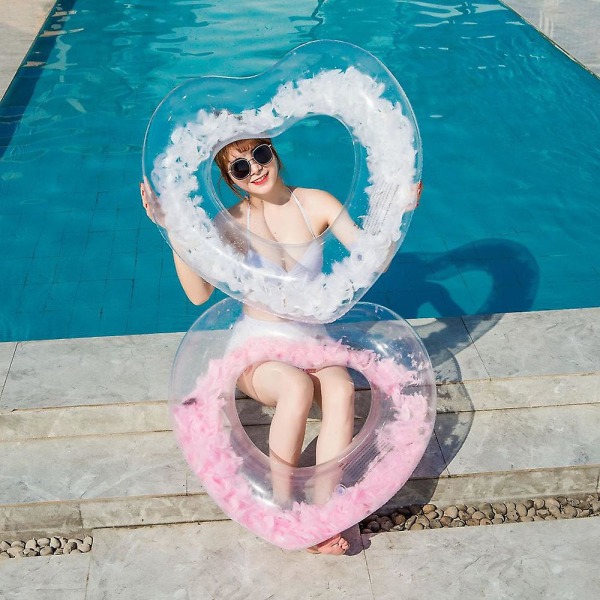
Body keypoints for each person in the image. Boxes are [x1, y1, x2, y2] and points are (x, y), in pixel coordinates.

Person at [141, 138, 419, 554]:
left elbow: (369, 257)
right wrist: (172, 228)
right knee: (296, 388)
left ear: (274, 152)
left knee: (342, 388)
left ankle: (325, 512)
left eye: (260, 155)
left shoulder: (316, 203)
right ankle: (283, 506)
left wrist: (399, 211)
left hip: (312, 340)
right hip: (259, 347)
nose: (254, 169)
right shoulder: (232, 222)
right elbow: (198, 293)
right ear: (230, 180)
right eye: (239, 168)